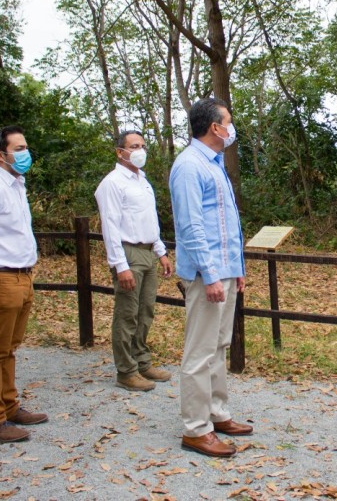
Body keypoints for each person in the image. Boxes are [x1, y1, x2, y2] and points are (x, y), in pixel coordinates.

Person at [169, 98, 251, 458]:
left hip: (225, 271)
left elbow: (226, 224)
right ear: (215, 128)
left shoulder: (214, 164)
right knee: (200, 351)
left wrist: (238, 270)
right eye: (228, 122)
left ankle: (217, 414)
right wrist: (211, 274)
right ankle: (195, 429)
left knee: (219, 345)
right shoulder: (188, 166)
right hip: (207, 275)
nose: (232, 129)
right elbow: (191, 228)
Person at [0, 126, 48, 443]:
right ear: (0, 154)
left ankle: (9, 406)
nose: (24, 153)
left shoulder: (17, 185)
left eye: (25, 146)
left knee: (10, 348)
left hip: (22, 276)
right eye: (18, 148)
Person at [95, 131, 173, 392]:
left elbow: (149, 220)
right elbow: (110, 226)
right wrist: (120, 265)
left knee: (145, 311)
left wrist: (160, 251)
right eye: (133, 146)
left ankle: (141, 361)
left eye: (142, 145)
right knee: (127, 313)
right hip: (128, 252)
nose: (140, 150)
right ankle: (126, 370)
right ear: (120, 152)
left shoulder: (142, 180)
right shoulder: (113, 183)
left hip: (148, 251)